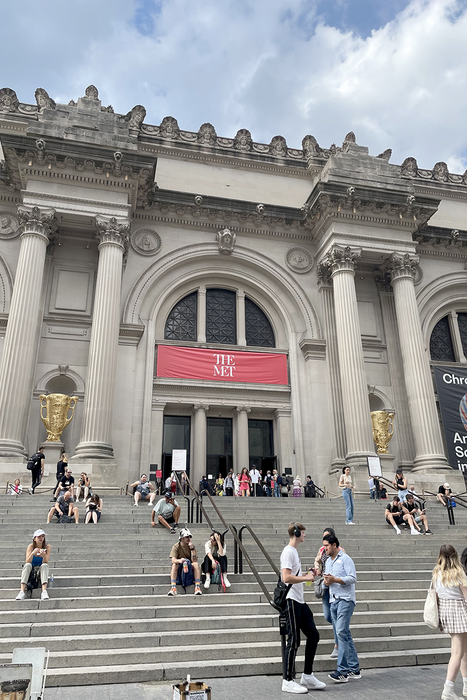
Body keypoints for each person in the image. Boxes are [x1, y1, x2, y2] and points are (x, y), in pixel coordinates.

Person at [280, 521, 326, 693]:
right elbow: (286, 577)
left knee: (313, 635)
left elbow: (294, 576)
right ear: (297, 533)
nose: (305, 535)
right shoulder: (288, 552)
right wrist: (305, 578)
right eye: (304, 533)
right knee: (294, 641)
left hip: (300, 600)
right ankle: (288, 680)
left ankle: (307, 675)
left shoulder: (294, 552)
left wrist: (307, 575)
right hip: (291, 600)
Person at [323, 533, 360, 682]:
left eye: (326, 546)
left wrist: (335, 579)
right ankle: (354, 668)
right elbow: (328, 580)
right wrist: (327, 582)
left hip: (346, 600)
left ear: (333, 545)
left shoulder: (345, 559)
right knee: (344, 633)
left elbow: (353, 578)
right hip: (333, 600)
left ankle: (343, 670)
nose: (324, 548)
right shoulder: (328, 561)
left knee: (340, 631)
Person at [432, 544, 467, 700]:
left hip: (446, 611)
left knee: (462, 650)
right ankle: (448, 689)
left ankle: (466, 684)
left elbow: (437, 596)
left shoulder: (436, 573)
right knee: (457, 653)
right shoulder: (458, 573)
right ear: (455, 556)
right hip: (459, 610)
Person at [314, 527, 344, 660]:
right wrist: (317, 567)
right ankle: (342, 630)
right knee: (328, 616)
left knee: (335, 617)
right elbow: (317, 561)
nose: (324, 543)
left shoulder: (340, 551)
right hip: (326, 587)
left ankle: (337, 645)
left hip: (336, 588)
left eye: (327, 538)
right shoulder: (322, 550)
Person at [16, 529, 51, 600]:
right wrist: (32, 553)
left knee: (45, 566)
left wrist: (43, 555)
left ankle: (44, 591)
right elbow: (27, 561)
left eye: (42, 536)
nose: (41, 538)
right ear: (34, 538)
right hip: (32, 570)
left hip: (40, 570)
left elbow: (46, 561)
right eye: (39, 537)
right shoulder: (31, 546)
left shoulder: (47, 547)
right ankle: (22, 591)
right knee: (27, 565)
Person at [167, 528, 202, 596]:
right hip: (180, 569)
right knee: (174, 565)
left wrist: (192, 549)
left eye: (189, 537)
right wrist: (179, 560)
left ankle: (197, 587)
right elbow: (173, 560)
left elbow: (194, 560)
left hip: (189, 569)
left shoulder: (192, 546)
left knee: (196, 564)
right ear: (182, 538)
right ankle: (173, 588)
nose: (189, 539)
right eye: (187, 537)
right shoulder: (176, 546)